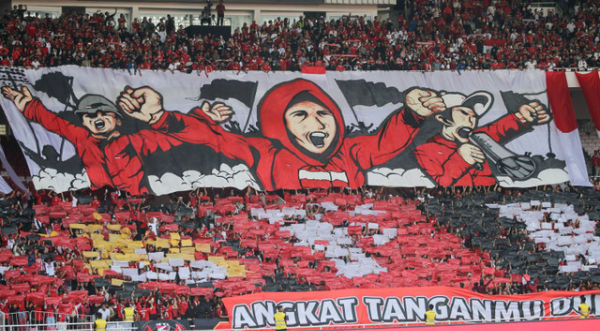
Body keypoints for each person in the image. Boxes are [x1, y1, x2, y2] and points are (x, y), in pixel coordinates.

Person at [176, 79, 444, 190]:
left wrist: (411, 115)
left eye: (323, 114)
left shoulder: (349, 152)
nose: (317, 122)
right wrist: (202, 120)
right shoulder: (266, 150)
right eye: (301, 115)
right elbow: (219, 142)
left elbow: (385, 143)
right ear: (282, 125)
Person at [1, 85, 231, 194]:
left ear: (117, 120)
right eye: (91, 115)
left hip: (138, 205)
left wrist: (200, 119)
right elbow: (52, 122)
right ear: (84, 121)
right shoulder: (81, 137)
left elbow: (175, 138)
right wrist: (29, 106)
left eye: (103, 113)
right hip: (99, 204)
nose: (97, 118)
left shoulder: (136, 140)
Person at [415, 91, 550, 186]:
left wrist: (522, 116)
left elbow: (498, 128)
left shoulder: (478, 137)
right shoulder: (425, 150)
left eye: (474, 116)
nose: (471, 120)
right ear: (442, 118)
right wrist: (461, 159)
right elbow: (442, 182)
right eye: (463, 113)